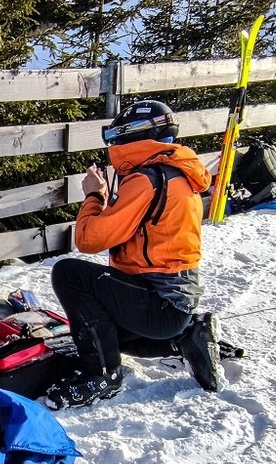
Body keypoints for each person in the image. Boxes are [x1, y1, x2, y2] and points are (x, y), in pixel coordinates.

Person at [45, 99, 225, 409]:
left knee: (69, 273)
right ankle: (187, 334)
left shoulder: (146, 181)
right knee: (100, 330)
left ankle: (102, 375)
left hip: (160, 302)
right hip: (174, 299)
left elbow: (89, 240)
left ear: (130, 137)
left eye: (115, 138)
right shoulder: (177, 172)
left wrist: (93, 195)